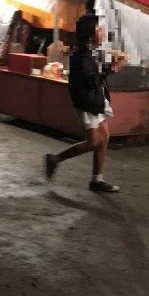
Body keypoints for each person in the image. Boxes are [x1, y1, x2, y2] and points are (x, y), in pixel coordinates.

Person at [44, 14, 124, 193]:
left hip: (96, 98)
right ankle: (55, 159)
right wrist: (113, 69)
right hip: (88, 102)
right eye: (100, 29)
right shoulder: (81, 55)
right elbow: (91, 80)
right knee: (94, 141)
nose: (103, 33)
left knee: (104, 139)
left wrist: (109, 66)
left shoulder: (91, 51)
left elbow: (95, 73)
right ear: (91, 34)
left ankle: (97, 179)